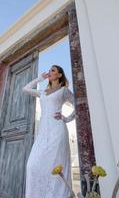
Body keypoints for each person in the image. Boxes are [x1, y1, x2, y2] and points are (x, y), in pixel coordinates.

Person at [23, 65, 75, 198]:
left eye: (53, 70)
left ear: (59, 75)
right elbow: (26, 89)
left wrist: (67, 118)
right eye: (50, 70)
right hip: (43, 132)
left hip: (57, 130)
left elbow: (78, 104)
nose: (50, 72)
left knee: (55, 164)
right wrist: (40, 78)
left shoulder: (64, 90)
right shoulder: (43, 92)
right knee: (32, 165)